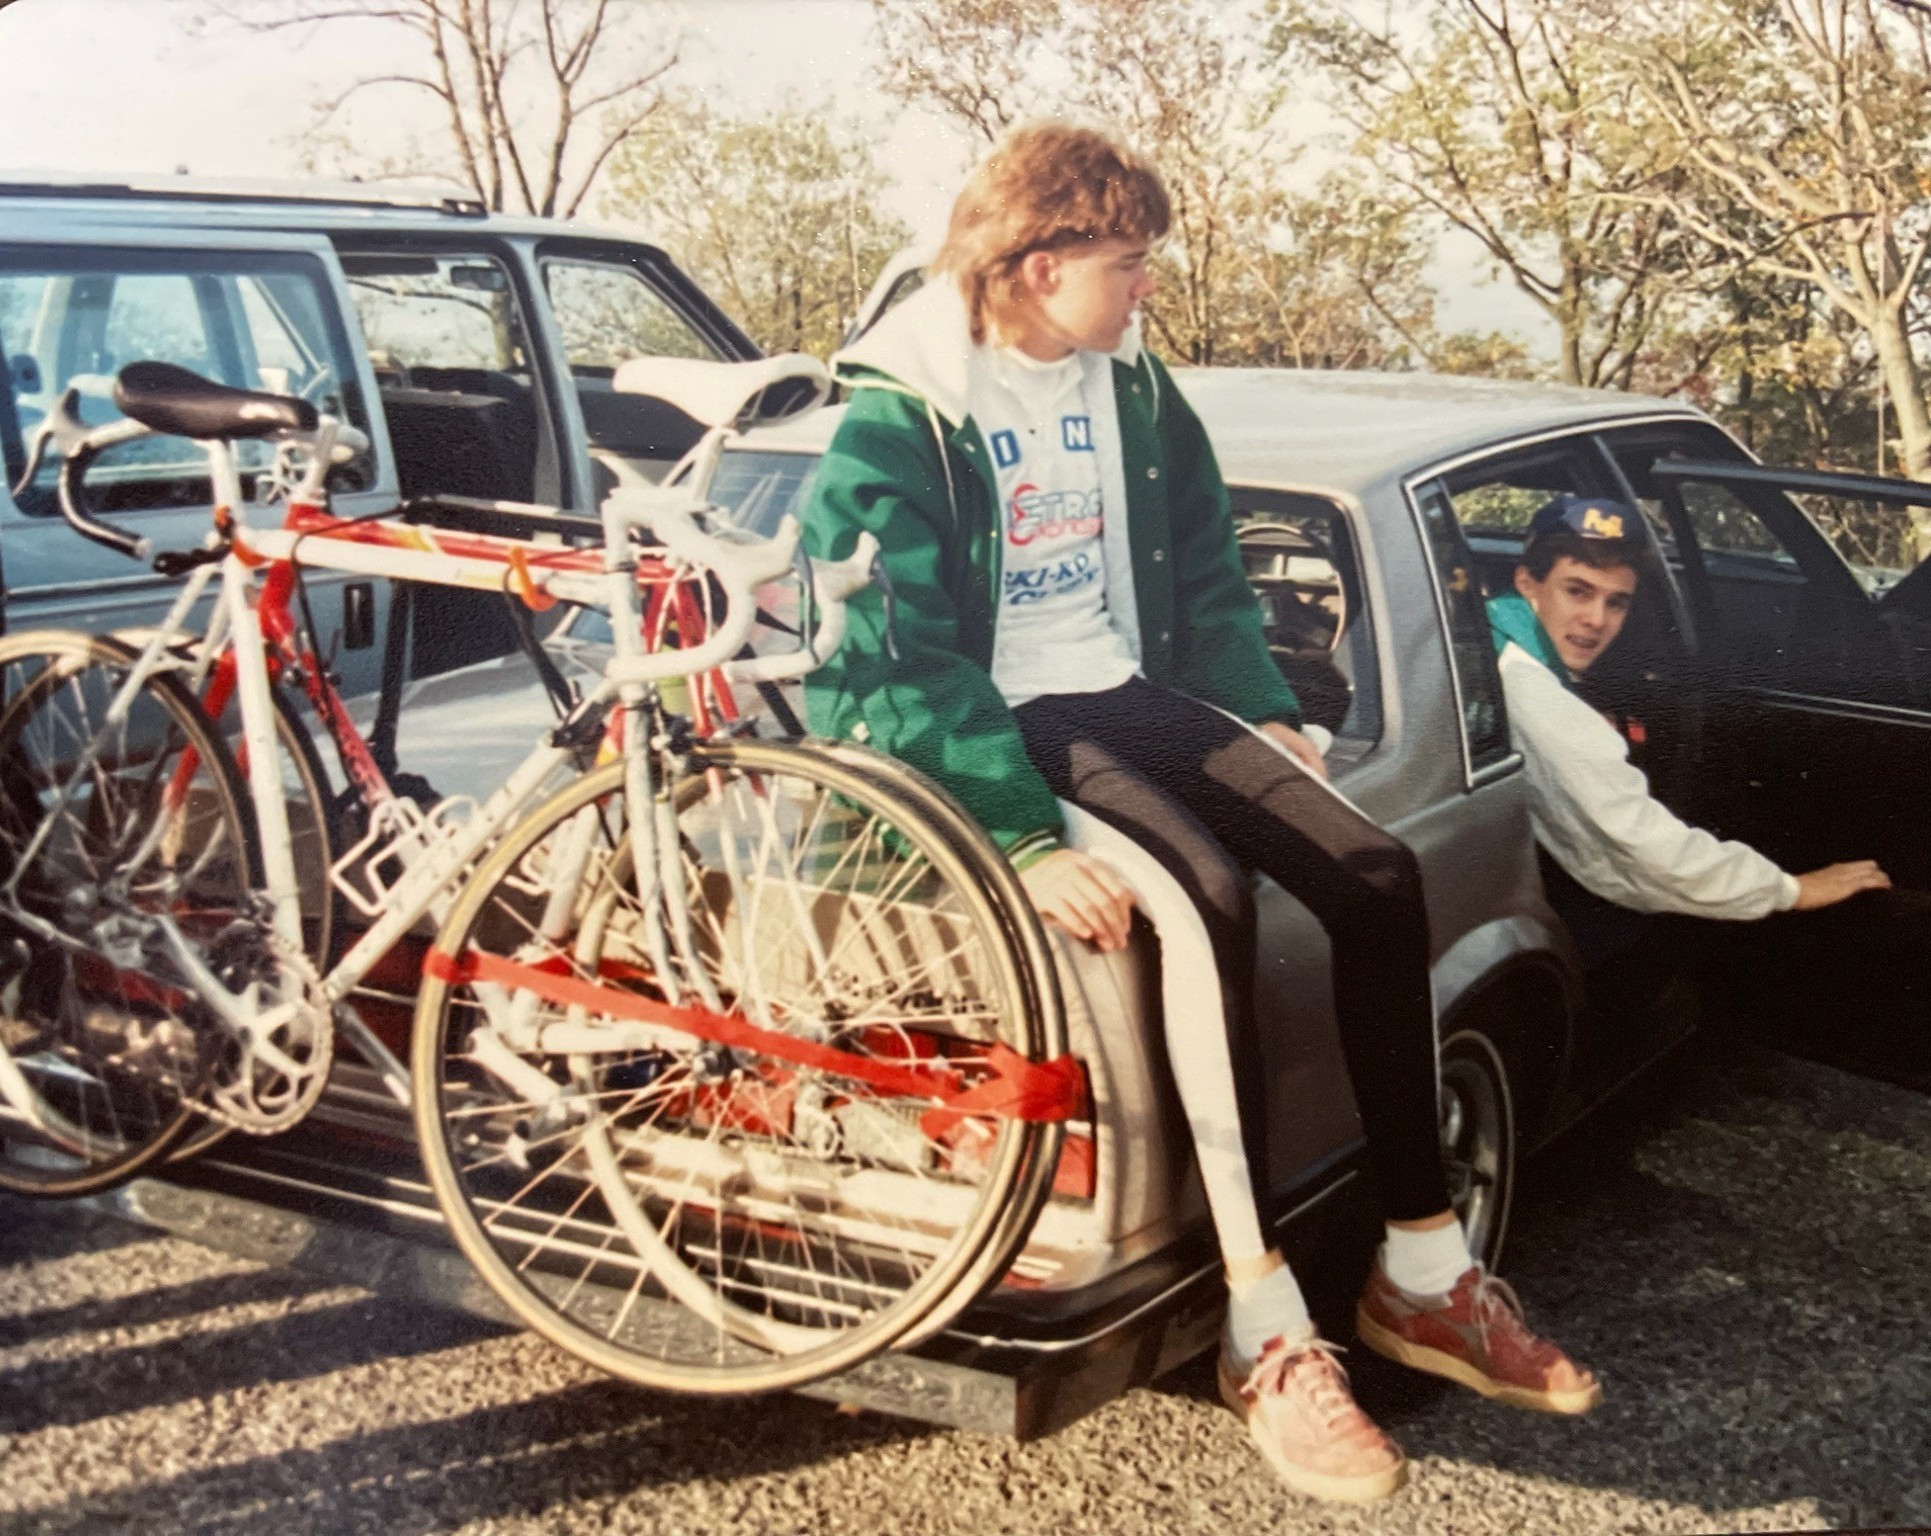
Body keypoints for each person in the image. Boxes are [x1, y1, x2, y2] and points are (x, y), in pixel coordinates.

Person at [803, 121, 1597, 1506]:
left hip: (1122, 686)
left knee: (1368, 869)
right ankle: (1262, 1328)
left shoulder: (1130, 387)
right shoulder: (902, 413)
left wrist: (1255, 702)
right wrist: (1017, 836)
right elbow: (891, 653)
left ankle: (1420, 1269)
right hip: (1002, 725)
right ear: (1037, 263)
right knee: (1200, 905)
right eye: (1126, 262)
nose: (1144, 289)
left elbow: (1202, 565)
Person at [1488, 494, 1929, 1060]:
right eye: (1578, 591)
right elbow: (1646, 850)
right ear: (1529, 582)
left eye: (1616, 603)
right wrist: (1792, 889)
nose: (1596, 621)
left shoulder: (1496, 630)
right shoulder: (1540, 700)